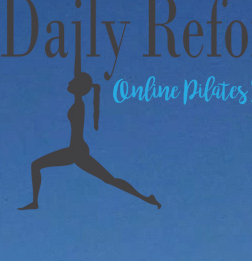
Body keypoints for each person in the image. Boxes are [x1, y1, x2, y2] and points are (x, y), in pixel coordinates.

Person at [18, 70, 160, 211]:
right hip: (77, 149)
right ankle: (146, 198)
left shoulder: (79, 104)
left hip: (75, 150)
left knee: (36, 165)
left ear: (79, 86)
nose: (68, 83)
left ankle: (35, 202)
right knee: (110, 180)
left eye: (73, 81)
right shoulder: (78, 103)